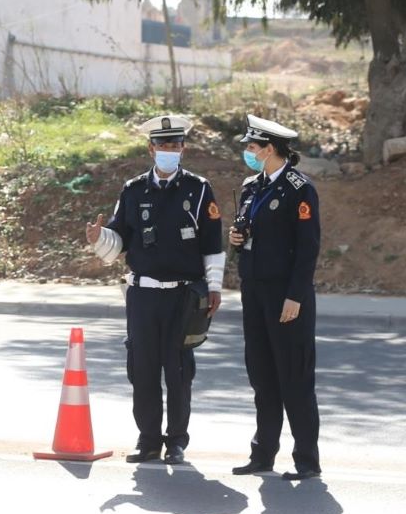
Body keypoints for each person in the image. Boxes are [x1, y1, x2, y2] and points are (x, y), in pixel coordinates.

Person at [85, 115, 224, 465]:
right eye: (163, 145)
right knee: (142, 369)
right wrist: (98, 238)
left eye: (175, 145)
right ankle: (148, 440)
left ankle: (176, 441)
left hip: (183, 295)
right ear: (151, 148)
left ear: (183, 148)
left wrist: (214, 288)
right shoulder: (132, 190)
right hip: (143, 295)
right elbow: (119, 240)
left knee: (178, 371)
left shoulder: (199, 189)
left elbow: (212, 244)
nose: (170, 151)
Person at [228, 115, 322, 480]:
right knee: (263, 378)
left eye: (252, 148)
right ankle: (262, 453)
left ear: (270, 149)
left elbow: (307, 248)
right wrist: (235, 240)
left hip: (287, 296)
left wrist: (295, 297)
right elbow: (247, 232)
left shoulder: (300, 188)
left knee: (294, 378)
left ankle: (306, 461)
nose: (248, 153)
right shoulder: (252, 186)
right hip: (254, 293)